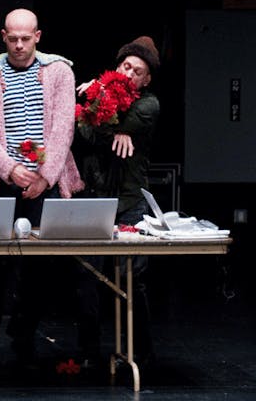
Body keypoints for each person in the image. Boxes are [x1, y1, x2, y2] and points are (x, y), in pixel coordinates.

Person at [0, 8, 84, 372]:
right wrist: (10, 169)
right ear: (3, 36)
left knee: (39, 266)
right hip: (4, 184)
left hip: (44, 184)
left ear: (38, 36)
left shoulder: (60, 72)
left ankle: (23, 334)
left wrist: (44, 177)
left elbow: (64, 128)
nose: (19, 45)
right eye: (12, 38)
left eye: (25, 38)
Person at [73, 36, 161, 368]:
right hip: (95, 198)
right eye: (125, 66)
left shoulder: (149, 103)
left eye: (137, 71)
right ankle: (88, 352)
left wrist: (98, 103)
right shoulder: (99, 94)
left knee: (132, 279)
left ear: (146, 79)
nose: (129, 73)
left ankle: (142, 353)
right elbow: (86, 131)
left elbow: (124, 122)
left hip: (130, 201)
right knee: (88, 277)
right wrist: (98, 103)